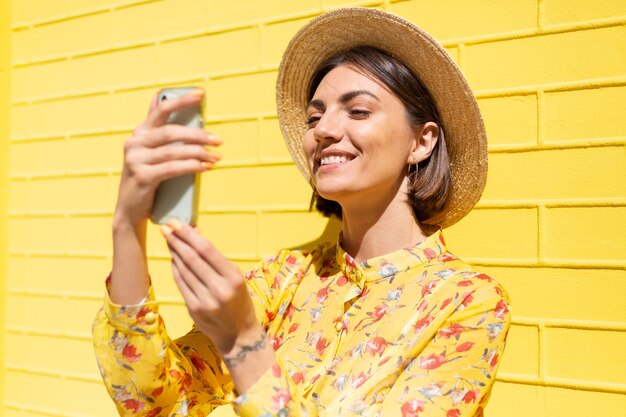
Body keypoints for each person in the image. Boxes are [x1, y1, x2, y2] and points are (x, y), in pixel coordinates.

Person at [93, 7, 511, 417]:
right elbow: (152, 403)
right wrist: (128, 224)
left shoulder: (467, 302)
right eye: (315, 116)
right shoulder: (284, 277)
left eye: (358, 110)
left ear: (422, 142)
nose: (323, 130)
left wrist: (244, 344)